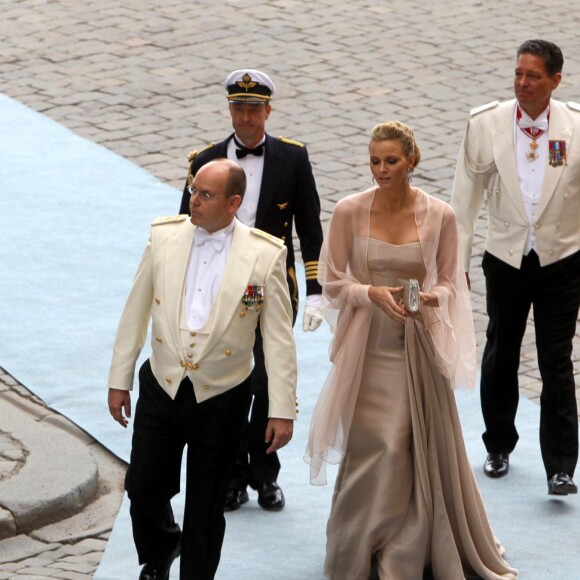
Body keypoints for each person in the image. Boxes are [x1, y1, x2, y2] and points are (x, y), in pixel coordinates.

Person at [305, 121, 518, 579]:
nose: (381, 170)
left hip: (415, 345)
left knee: (402, 442)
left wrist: (425, 300)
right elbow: (332, 280)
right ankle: (360, 541)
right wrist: (371, 294)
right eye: (375, 161)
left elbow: (449, 281)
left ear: (411, 161)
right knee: (372, 444)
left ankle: (404, 549)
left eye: (391, 161)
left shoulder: (440, 215)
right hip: (366, 346)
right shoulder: (348, 210)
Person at [107, 158, 297, 580]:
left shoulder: (264, 256)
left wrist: (281, 409)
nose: (193, 200)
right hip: (162, 384)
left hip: (223, 395)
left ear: (233, 203)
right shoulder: (164, 238)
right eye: (194, 190)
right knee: (142, 487)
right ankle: (161, 547)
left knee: (207, 504)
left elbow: (279, 339)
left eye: (205, 195)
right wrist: (118, 380)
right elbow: (134, 313)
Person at [178, 69, 324, 512]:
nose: (245, 118)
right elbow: (187, 229)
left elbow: (310, 227)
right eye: (238, 108)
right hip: (218, 287)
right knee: (225, 380)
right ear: (230, 110)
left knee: (264, 379)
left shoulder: (292, 158)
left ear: (268, 111)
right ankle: (231, 475)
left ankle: (264, 473)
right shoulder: (205, 159)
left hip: (268, 286)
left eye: (253, 109)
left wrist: (316, 289)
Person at [451, 39, 580, 495]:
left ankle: (561, 466)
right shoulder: (486, 123)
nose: (522, 83)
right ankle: (498, 444)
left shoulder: (576, 127)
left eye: (533, 77)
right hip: (505, 257)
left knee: (556, 360)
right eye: (518, 74)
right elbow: (463, 199)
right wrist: (456, 261)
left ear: (555, 81)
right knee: (501, 349)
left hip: (562, 260)